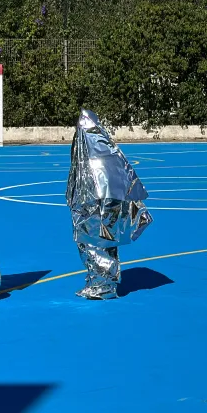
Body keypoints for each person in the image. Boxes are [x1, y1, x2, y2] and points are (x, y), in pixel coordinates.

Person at [66, 109, 152, 299]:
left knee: (99, 243)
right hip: (93, 205)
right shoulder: (97, 149)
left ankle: (103, 285)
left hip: (99, 206)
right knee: (92, 243)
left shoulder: (100, 149)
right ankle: (98, 282)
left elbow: (114, 179)